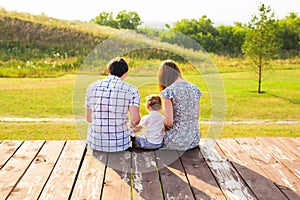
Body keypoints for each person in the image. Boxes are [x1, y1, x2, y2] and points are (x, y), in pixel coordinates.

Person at [85, 57, 140, 152]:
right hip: (120, 145)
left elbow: (89, 119)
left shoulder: (91, 87)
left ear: (108, 71)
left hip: (95, 143)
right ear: (125, 74)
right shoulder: (132, 90)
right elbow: (135, 120)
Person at [158, 60, 202, 151]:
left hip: (176, 142)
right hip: (194, 140)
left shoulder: (168, 92)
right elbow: (197, 116)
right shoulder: (195, 88)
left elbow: (169, 122)